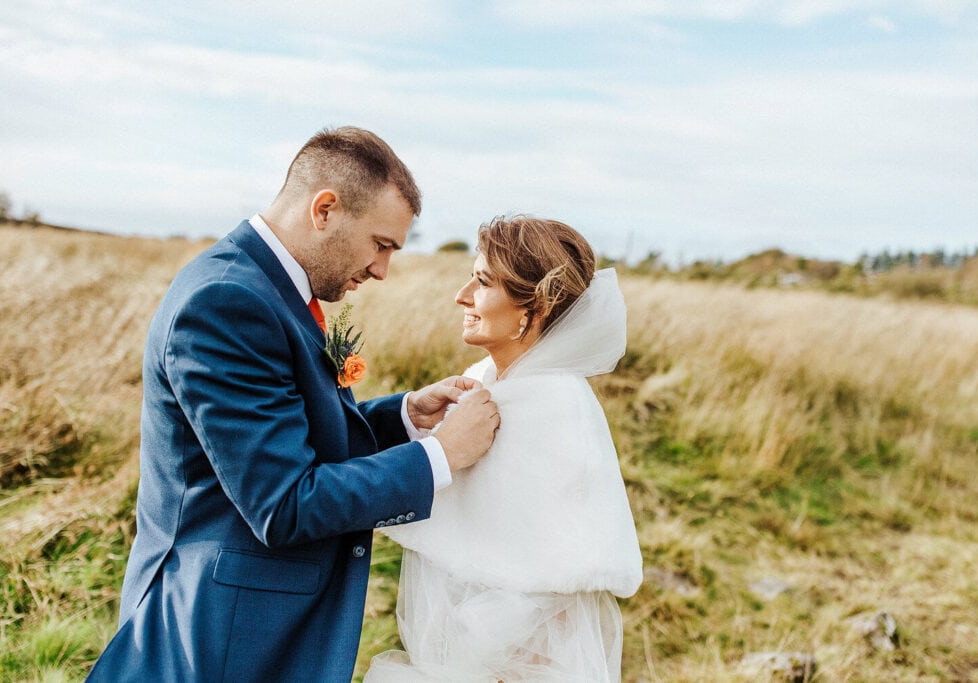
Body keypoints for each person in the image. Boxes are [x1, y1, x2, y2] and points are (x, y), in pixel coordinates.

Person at [87, 127, 500, 682]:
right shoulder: (226, 300)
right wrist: (440, 457)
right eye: (382, 244)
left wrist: (403, 417)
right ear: (325, 209)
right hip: (215, 635)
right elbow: (284, 504)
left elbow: (291, 431)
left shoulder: (269, 288)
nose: (381, 269)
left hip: (249, 623)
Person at [366, 216, 643, 682]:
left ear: (532, 308)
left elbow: (553, 587)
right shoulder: (479, 382)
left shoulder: (556, 407)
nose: (462, 296)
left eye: (483, 282)